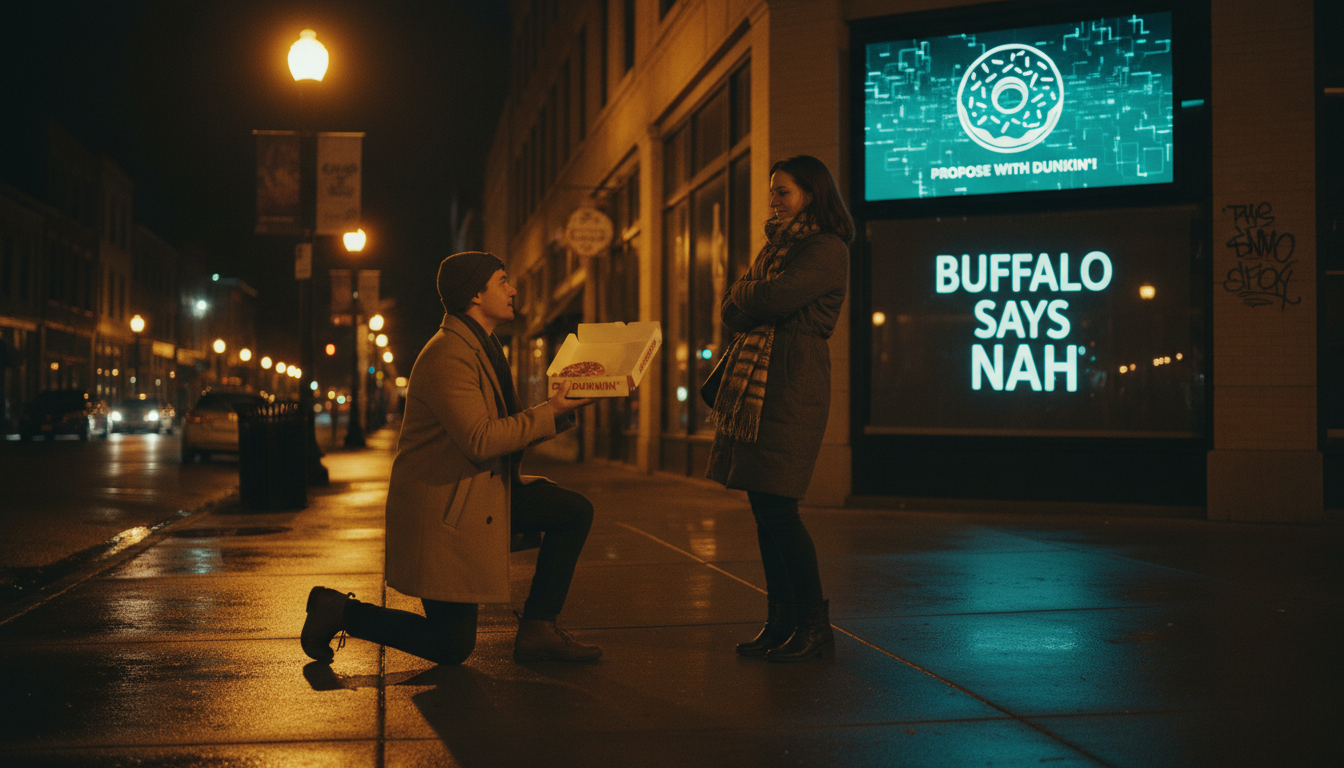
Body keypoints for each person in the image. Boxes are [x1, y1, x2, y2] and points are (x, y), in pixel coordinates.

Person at [301, 251, 602, 665]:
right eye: (502, 281)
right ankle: (339, 612)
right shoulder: (449, 355)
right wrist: (549, 413)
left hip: (483, 496)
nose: (513, 290)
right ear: (475, 295)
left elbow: (509, 431)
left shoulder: (484, 348)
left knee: (572, 511)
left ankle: (538, 628)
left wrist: (559, 410)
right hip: (446, 513)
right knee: (451, 646)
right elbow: (480, 440)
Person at [706, 155, 853, 662]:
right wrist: (751, 295)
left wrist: (749, 294)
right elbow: (731, 308)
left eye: (783, 191)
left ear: (811, 194)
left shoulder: (825, 248)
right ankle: (781, 622)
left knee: (780, 511)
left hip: (792, 382)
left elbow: (769, 299)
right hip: (763, 385)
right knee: (765, 511)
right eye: (773, 192)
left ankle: (814, 626)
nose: (774, 200)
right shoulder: (777, 247)